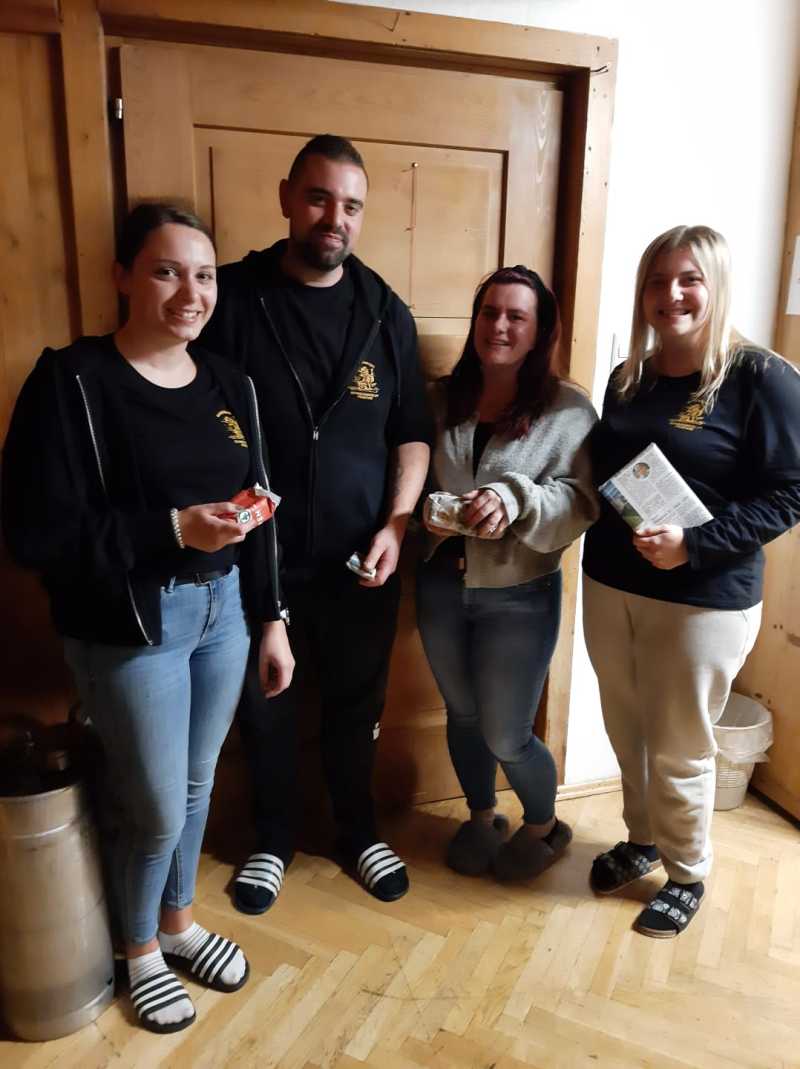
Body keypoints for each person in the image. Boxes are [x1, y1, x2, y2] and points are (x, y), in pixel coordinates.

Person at [1, 203, 294, 1034]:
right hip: (133, 626)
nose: (190, 294)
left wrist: (271, 617)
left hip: (224, 612)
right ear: (123, 276)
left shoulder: (231, 383)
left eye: (203, 275)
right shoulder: (73, 381)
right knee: (156, 804)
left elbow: (260, 506)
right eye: (166, 272)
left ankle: (176, 923)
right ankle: (137, 951)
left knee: (197, 785)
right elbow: (36, 533)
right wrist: (170, 528)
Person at [201, 134, 431, 911]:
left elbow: (411, 432)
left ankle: (357, 830)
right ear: (286, 198)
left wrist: (397, 524)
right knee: (264, 707)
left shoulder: (385, 312)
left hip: (362, 562)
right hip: (255, 560)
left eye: (352, 205)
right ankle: (271, 838)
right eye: (319, 197)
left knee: (356, 707)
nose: (335, 217)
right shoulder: (232, 297)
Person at [583, 224, 800, 938]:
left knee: (680, 744)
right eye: (657, 280)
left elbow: (791, 492)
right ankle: (643, 838)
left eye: (688, 279)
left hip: (703, 598)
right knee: (628, 731)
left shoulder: (761, 377)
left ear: (716, 286)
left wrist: (696, 546)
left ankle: (687, 871)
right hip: (612, 584)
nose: (670, 294)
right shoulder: (629, 377)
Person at [416, 266, 598, 880]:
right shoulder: (441, 399)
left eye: (516, 316)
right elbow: (411, 478)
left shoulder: (569, 409)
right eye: (489, 312)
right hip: (442, 585)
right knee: (462, 715)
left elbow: (583, 501)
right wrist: (428, 515)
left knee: (506, 734)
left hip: (521, 594)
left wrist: (517, 498)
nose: (498, 326)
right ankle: (481, 816)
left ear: (539, 331)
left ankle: (544, 826)